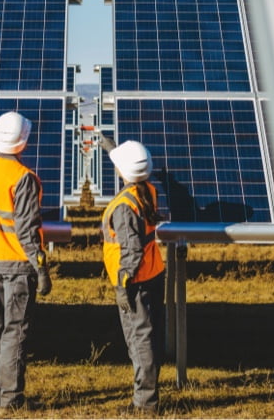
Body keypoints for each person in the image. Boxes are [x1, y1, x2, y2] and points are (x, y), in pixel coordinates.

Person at [0, 111, 52, 409]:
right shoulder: (24, 178)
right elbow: (27, 231)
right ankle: (11, 399)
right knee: (14, 332)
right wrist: (41, 268)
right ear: (23, 142)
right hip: (17, 266)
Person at [100, 136, 165, 414]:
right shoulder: (146, 190)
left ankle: (145, 404)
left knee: (140, 339)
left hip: (134, 281)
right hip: (152, 273)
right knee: (148, 335)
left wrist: (122, 285)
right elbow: (132, 170)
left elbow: (131, 250)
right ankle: (146, 396)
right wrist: (113, 150)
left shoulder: (124, 206)